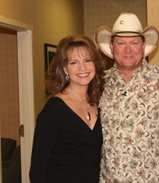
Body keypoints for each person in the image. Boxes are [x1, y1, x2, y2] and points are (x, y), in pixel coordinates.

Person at [94, 12, 159, 182]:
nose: (127, 50)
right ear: (111, 47)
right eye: (120, 43)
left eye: (134, 43)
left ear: (143, 46)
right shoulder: (99, 83)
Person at [29, 35, 105, 183]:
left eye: (87, 60)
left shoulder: (101, 103)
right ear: (64, 69)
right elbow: (37, 169)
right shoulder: (53, 111)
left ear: (95, 64)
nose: (82, 68)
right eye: (74, 62)